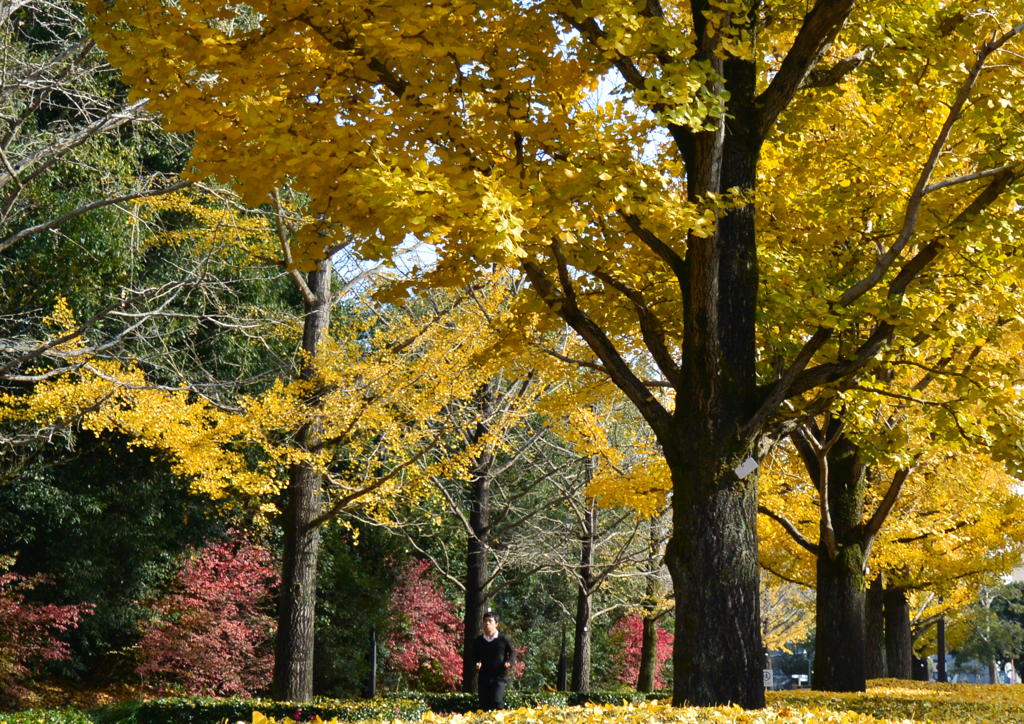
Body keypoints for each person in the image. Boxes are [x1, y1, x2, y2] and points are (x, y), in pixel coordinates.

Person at [472, 611, 516, 710]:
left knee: (496, 701)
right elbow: (475, 655)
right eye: (485, 621)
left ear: (496, 624)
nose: (487, 623)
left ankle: (501, 716)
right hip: (484, 676)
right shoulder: (479, 641)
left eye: (490, 621)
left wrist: (510, 662)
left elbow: (512, 652)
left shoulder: (503, 639)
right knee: (484, 705)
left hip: (499, 676)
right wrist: (476, 663)